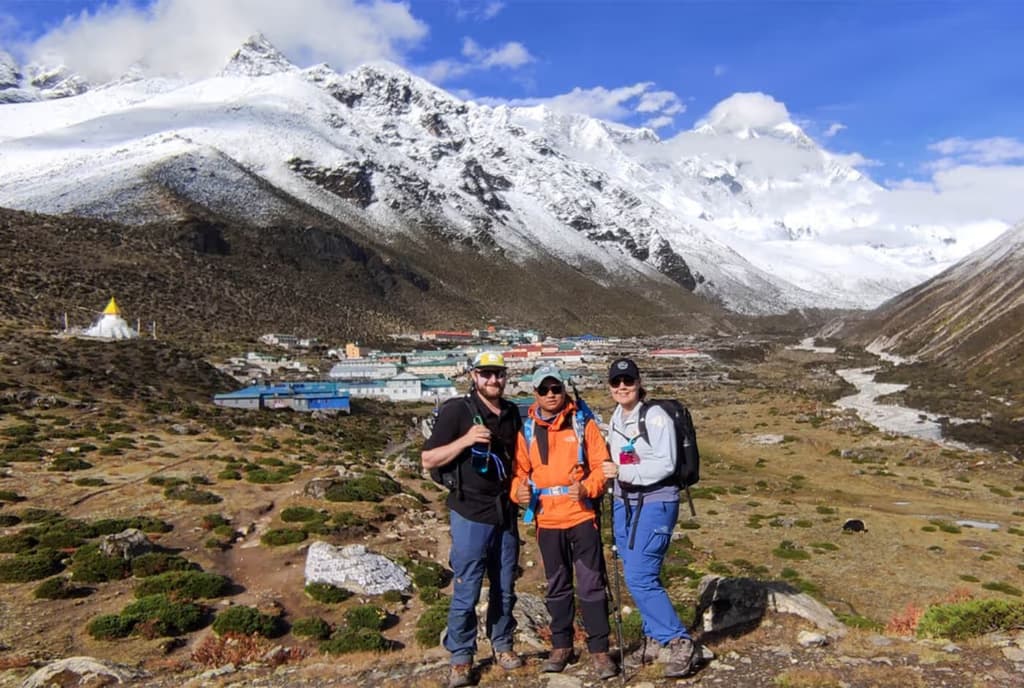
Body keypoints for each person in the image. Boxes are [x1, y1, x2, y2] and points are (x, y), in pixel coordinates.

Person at [421, 352, 523, 688]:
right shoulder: (456, 411)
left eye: (499, 374)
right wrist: (466, 439)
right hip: (469, 512)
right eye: (487, 374)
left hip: (504, 512)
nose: (494, 380)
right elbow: (428, 458)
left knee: (505, 585)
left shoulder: (509, 412)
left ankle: (503, 644)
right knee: (467, 587)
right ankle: (461, 657)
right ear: (474, 376)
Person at [511, 364, 618, 680]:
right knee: (557, 586)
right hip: (547, 521)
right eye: (544, 389)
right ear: (535, 393)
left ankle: (599, 651)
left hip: (582, 517)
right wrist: (517, 491)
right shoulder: (527, 430)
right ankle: (561, 646)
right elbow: (520, 472)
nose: (550, 394)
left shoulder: (583, 425)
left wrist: (588, 487)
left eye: (555, 388)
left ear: (563, 389)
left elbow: (602, 465)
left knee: (591, 585)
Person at [601, 357, 701, 679]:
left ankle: (680, 641)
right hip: (623, 501)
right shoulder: (617, 417)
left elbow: (666, 463)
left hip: (656, 501)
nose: (622, 387)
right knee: (635, 572)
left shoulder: (655, 416)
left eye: (628, 381)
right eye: (616, 382)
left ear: (638, 382)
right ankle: (654, 639)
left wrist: (622, 470)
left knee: (640, 576)